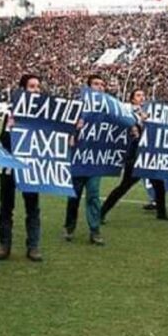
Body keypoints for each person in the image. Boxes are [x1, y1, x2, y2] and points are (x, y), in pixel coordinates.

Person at [100, 89, 168, 222]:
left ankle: (162, 213)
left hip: (149, 156)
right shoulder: (127, 113)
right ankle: (101, 213)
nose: (142, 97)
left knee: (159, 184)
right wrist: (139, 120)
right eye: (138, 95)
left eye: (143, 95)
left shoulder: (149, 113)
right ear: (132, 99)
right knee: (124, 186)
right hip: (135, 155)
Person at [0, 74, 43, 262]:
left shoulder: (45, 113)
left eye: (38, 86)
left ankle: (33, 246)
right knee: (6, 206)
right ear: (23, 90)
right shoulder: (11, 111)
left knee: (33, 207)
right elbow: (3, 140)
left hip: (31, 167)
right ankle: (4, 245)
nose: (36, 90)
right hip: (9, 166)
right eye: (32, 86)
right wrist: (10, 128)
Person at [64, 74, 107, 245]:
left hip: (95, 158)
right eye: (96, 84)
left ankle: (95, 230)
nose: (100, 87)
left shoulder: (108, 108)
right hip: (79, 158)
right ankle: (70, 226)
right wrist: (73, 130)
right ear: (88, 88)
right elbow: (64, 125)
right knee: (74, 195)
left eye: (102, 84)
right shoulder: (78, 106)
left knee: (94, 195)